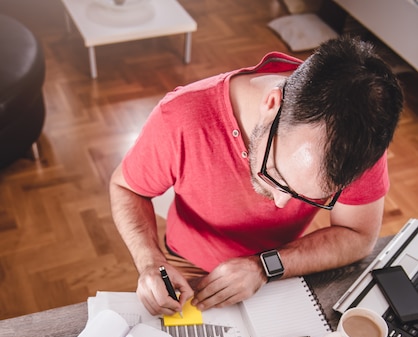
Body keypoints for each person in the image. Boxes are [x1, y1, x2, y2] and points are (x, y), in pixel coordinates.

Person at [109, 36, 403, 317]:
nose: (280, 202)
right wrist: (150, 263)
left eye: (308, 195)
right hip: (185, 266)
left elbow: (359, 236)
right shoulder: (181, 117)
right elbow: (126, 188)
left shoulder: (360, 137)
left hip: (282, 266)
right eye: (274, 175)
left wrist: (266, 265)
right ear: (272, 104)